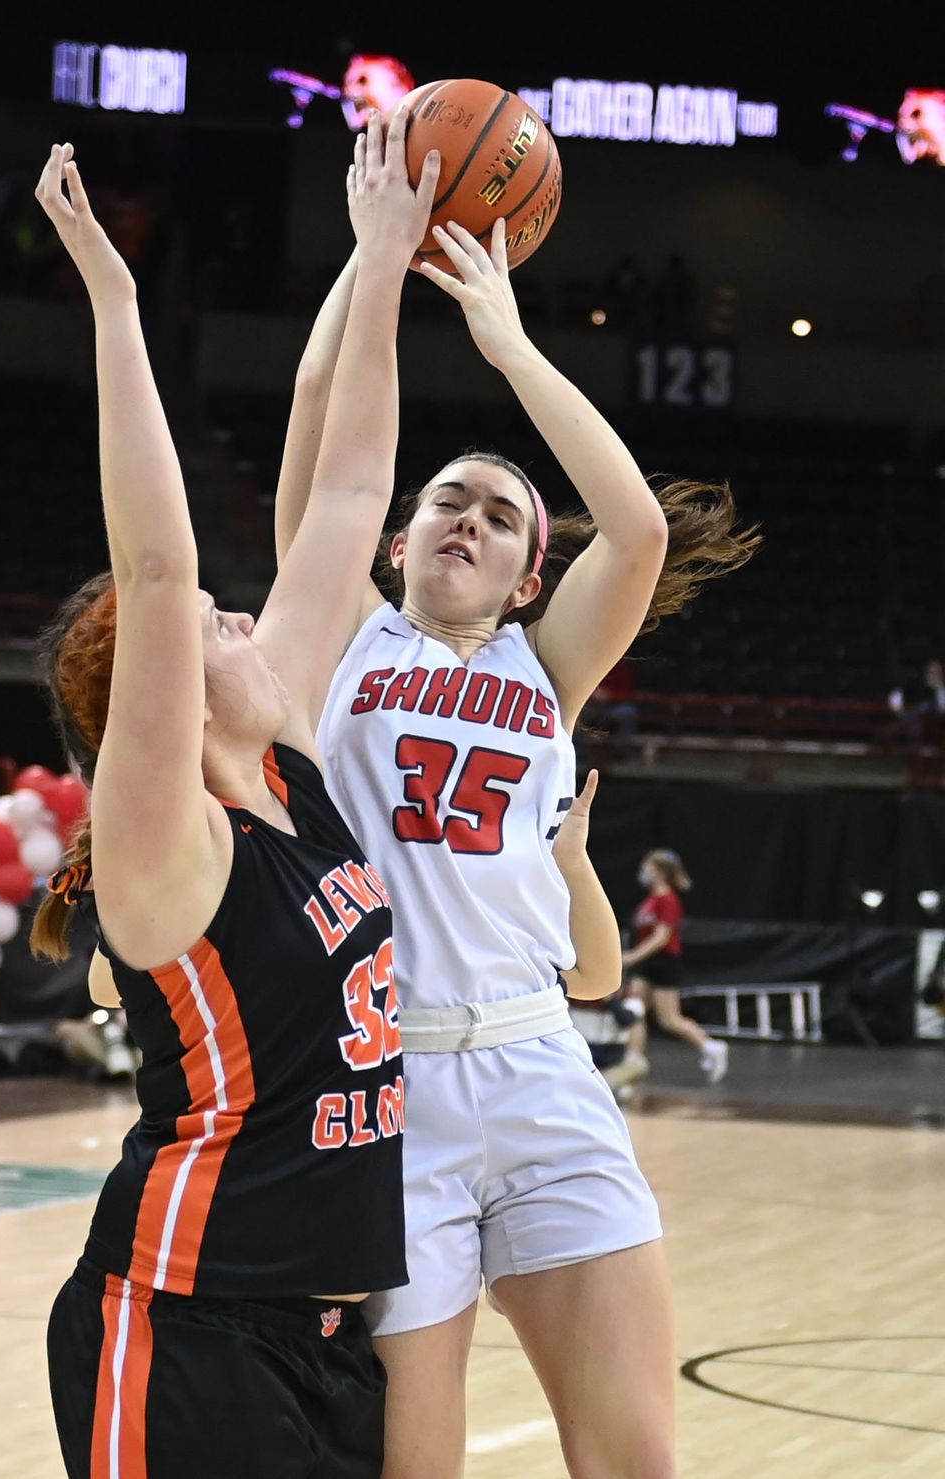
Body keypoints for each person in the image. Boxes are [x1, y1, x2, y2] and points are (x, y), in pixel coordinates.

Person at [277, 205, 760, 1477]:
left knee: (634, 1461)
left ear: (529, 579)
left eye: (502, 518)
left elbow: (641, 532)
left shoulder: (547, 669)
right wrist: (373, 258)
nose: (470, 521)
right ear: (396, 540)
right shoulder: (334, 634)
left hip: (543, 1067)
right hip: (385, 1086)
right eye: (448, 500)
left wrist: (506, 342)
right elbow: (322, 406)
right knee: (414, 1466)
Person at [29, 118, 440, 1478]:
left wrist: (381, 262)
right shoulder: (167, 850)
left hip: (325, 1338)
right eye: (225, 625)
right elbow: (154, 567)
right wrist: (116, 300)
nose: (251, 617)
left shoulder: (288, 775)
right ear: (164, 695)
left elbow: (355, 488)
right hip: (184, 1326)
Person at [623, 849, 726, 1084]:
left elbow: (661, 937)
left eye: (648, 868)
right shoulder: (650, 900)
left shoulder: (668, 900)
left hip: (664, 963)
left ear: (659, 872)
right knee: (633, 1010)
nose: (643, 873)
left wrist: (633, 956)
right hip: (647, 965)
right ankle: (632, 1058)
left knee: (669, 1019)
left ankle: (711, 1046)